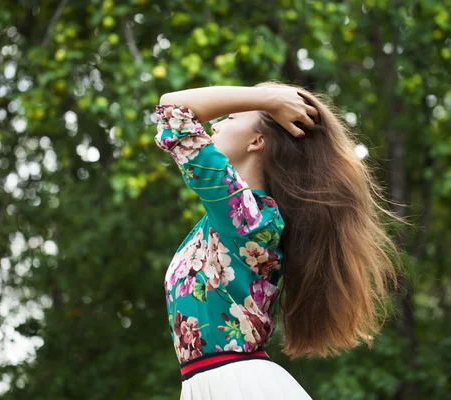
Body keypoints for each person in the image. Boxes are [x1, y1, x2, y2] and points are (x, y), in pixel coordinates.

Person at [154, 81, 404, 399]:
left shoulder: (247, 218)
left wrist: (268, 99)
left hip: (237, 386)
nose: (214, 124)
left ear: (257, 141)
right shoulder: (237, 217)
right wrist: (267, 100)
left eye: (229, 118)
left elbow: (174, 111)